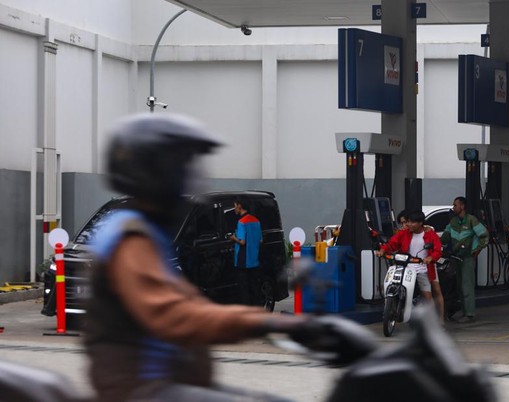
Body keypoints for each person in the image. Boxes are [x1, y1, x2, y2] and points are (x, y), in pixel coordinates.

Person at [84, 113, 374, 402]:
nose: (189, 177)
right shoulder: (129, 237)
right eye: (181, 165)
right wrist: (274, 323)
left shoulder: (146, 230)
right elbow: (174, 315)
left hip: (168, 381)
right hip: (143, 389)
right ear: (154, 171)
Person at [377, 210, 445, 323]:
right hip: (406, 266)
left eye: (412, 222)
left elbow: (437, 251)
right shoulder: (404, 233)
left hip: (423, 268)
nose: (408, 225)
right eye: (407, 222)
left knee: (428, 295)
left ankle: (436, 320)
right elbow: (392, 243)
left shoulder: (430, 234)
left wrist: (430, 258)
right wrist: (383, 249)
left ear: (420, 223)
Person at [440, 196, 489, 323]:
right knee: (459, 286)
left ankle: (470, 314)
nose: (453, 207)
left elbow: (484, 236)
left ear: (462, 206)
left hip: (467, 258)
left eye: (455, 205)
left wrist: (476, 251)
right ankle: (464, 311)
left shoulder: (471, 220)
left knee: (467, 285)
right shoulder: (453, 222)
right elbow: (445, 237)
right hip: (456, 257)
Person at [230, 199, 263, 306]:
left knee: (244, 291)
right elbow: (261, 240)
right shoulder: (256, 220)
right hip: (254, 260)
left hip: (243, 261)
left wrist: (233, 238)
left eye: (235, 206)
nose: (234, 208)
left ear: (240, 206)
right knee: (254, 288)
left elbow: (242, 242)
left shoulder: (241, 222)